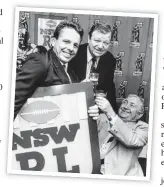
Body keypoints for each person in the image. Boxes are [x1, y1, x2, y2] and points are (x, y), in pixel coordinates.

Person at [14, 20, 99, 120]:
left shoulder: (71, 71)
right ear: (53, 41)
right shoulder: (40, 62)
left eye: (75, 45)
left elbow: (65, 104)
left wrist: (83, 95)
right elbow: (12, 102)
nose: (71, 48)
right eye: (66, 42)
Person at [68, 22, 117, 112]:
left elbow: (110, 88)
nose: (101, 46)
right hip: (72, 104)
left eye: (106, 43)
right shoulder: (74, 54)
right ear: (89, 39)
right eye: (97, 41)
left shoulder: (110, 60)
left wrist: (112, 114)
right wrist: (80, 86)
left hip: (95, 108)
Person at [95, 94, 148, 176]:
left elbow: (132, 140)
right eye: (124, 102)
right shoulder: (103, 118)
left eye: (132, 105)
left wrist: (110, 113)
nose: (126, 106)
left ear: (139, 114)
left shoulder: (143, 128)